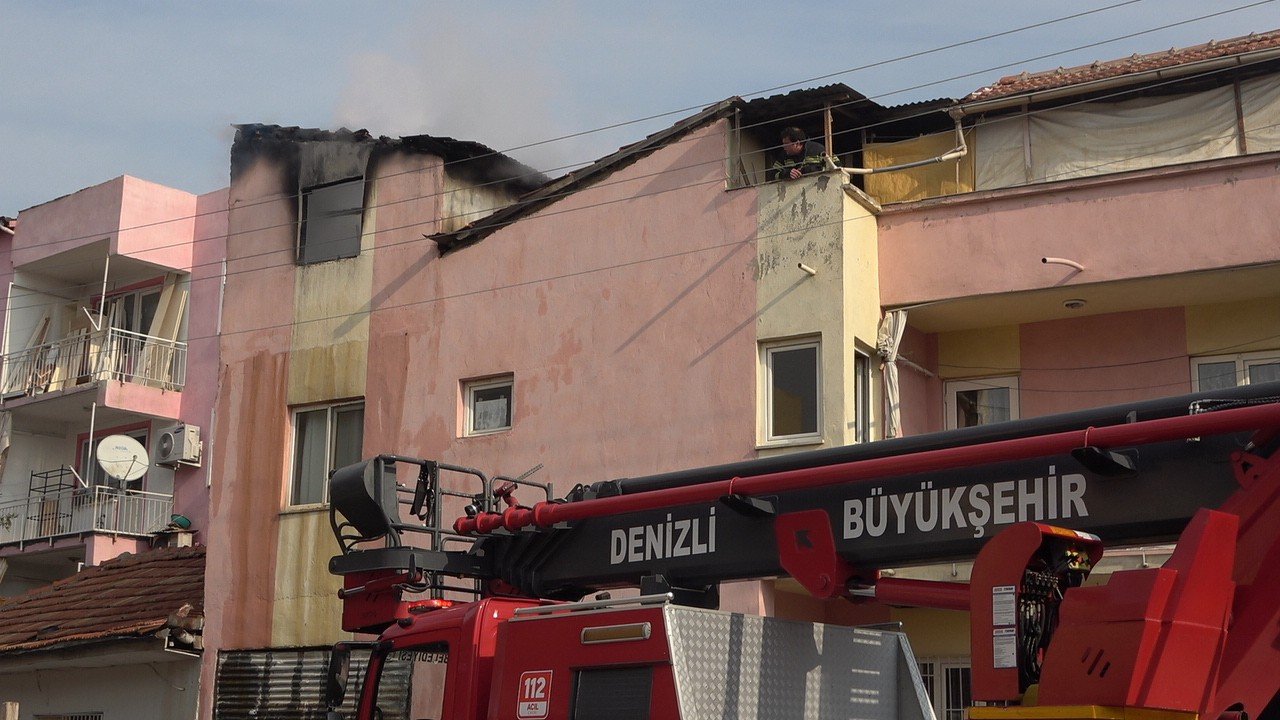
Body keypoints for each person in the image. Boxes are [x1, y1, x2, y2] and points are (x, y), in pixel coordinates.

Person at [769, 127, 834, 181]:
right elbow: (772, 175)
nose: (783, 147)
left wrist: (810, 170)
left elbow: (837, 167)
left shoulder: (817, 149)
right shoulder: (783, 155)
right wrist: (786, 174)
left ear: (797, 143)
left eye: (786, 144)